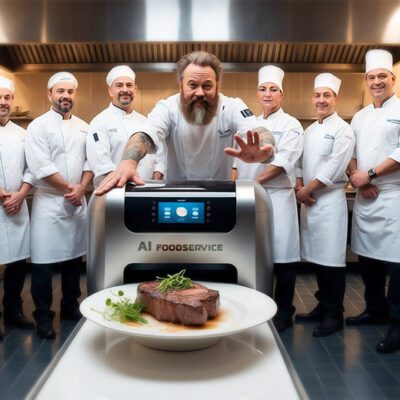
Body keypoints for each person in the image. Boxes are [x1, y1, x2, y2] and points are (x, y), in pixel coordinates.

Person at [94, 51, 275, 194]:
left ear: (218, 86)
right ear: (181, 85)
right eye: (192, 85)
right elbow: (145, 135)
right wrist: (128, 162)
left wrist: (264, 148)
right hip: (175, 195)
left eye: (207, 86)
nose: (200, 93)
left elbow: (259, 130)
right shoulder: (168, 107)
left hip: (220, 195)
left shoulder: (232, 106)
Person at [232, 66, 304, 332]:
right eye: (263, 89)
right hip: (249, 198)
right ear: (257, 93)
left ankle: (284, 311)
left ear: (281, 95)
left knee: (283, 258)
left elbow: (285, 162)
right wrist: (235, 186)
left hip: (277, 198)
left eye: (273, 90)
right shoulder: (248, 123)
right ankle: (256, 306)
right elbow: (236, 164)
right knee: (252, 256)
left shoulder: (292, 125)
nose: (268, 94)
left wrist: (251, 184)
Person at [25, 72, 93, 339]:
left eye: (70, 91)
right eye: (60, 91)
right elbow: (41, 166)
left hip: (77, 201)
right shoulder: (38, 126)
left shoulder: (85, 126)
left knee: (74, 260)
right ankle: (43, 315)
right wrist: (69, 188)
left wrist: (82, 187)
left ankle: (69, 307)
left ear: (74, 95)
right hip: (50, 203)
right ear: (49, 94)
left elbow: (91, 162)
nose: (65, 96)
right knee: (42, 262)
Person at [346, 49, 400, 353]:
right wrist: (357, 177)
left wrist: (370, 174)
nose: (376, 81)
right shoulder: (360, 115)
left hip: (394, 196)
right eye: (371, 77)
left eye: (382, 76)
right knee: (368, 262)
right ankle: (374, 309)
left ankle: (396, 326)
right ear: (366, 81)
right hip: (366, 197)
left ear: (392, 79)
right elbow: (349, 154)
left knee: (397, 266)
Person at [295, 73, 355, 337]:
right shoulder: (309, 130)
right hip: (309, 201)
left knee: (331, 260)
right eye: (317, 95)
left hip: (329, 201)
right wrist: (300, 187)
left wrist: (306, 190)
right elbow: (298, 162)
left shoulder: (343, 129)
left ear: (336, 99)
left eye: (326, 95)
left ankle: (334, 314)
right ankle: (322, 305)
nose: (321, 100)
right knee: (318, 259)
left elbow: (335, 167)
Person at [86, 65, 165, 187]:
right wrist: (121, 183)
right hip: (117, 190)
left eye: (129, 85)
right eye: (119, 85)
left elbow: (160, 152)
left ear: (135, 89)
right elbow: (101, 162)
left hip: (148, 189)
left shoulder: (145, 121)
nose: (125, 89)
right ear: (110, 91)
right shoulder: (99, 122)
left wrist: (157, 174)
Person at [0, 76, 35, 340]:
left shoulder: (23, 134)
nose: (3, 102)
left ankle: (13, 310)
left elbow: (32, 169)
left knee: (17, 264)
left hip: (17, 207)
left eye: (7, 97)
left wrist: (21, 193)